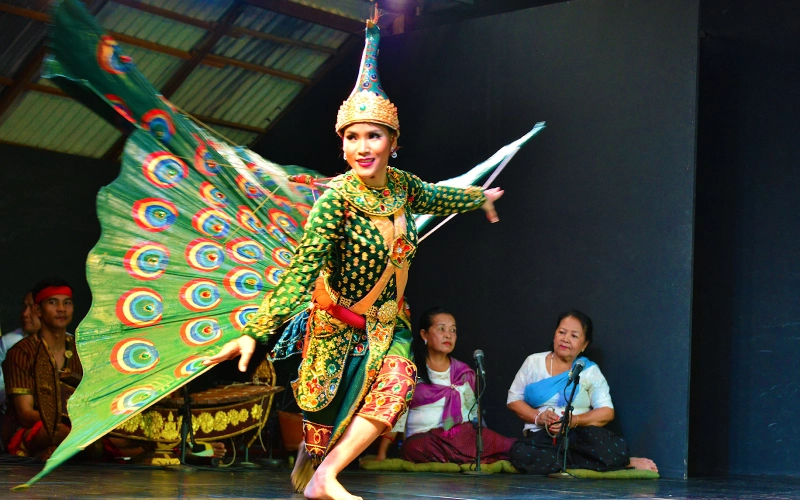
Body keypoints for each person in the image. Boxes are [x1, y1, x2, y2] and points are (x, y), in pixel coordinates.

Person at [204, 17, 503, 500]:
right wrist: (254, 333)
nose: (362, 147)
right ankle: (315, 471)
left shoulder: (403, 186)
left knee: (398, 387)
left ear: (393, 143)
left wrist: (477, 198)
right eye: (352, 137)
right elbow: (302, 271)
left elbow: (436, 196)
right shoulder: (334, 202)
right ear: (342, 143)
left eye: (373, 136)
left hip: (389, 324)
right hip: (336, 326)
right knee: (319, 424)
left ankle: (328, 478)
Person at [506, 309, 657, 474]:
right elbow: (514, 399)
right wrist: (538, 417)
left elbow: (606, 412)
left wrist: (573, 420)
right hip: (541, 437)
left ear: (584, 345)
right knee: (520, 453)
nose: (565, 339)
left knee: (615, 449)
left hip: (578, 437)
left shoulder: (589, 370)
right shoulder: (533, 362)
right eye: (562, 332)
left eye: (574, 336)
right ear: (554, 335)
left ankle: (568, 461)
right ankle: (594, 463)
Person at [386, 307, 515, 464]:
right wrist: (382, 453)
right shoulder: (411, 370)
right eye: (441, 329)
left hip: (461, 436)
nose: (448, 335)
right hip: (425, 440)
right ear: (424, 334)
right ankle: (473, 458)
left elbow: (473, 413)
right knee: (414, 448)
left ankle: (468, 456)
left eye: (453, 330)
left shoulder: (463, 373)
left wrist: (483, 437)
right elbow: (398, 415)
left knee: (512, 448)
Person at [2, 279, 81, 457]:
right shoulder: (21, 352)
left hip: (77, 425)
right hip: (30, 429)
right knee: (59, 432)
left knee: (129, 438)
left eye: (67, 303)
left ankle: (59, 451)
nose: (62, 309)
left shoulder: (81, 351)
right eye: (53, 302)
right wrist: (73, 424)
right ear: (38, 310)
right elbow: (25, 414)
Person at [1, 288, 41, 407]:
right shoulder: (9, 342)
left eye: (32, 308)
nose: (25, 314)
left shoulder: (68, 343)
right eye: (24, 307)